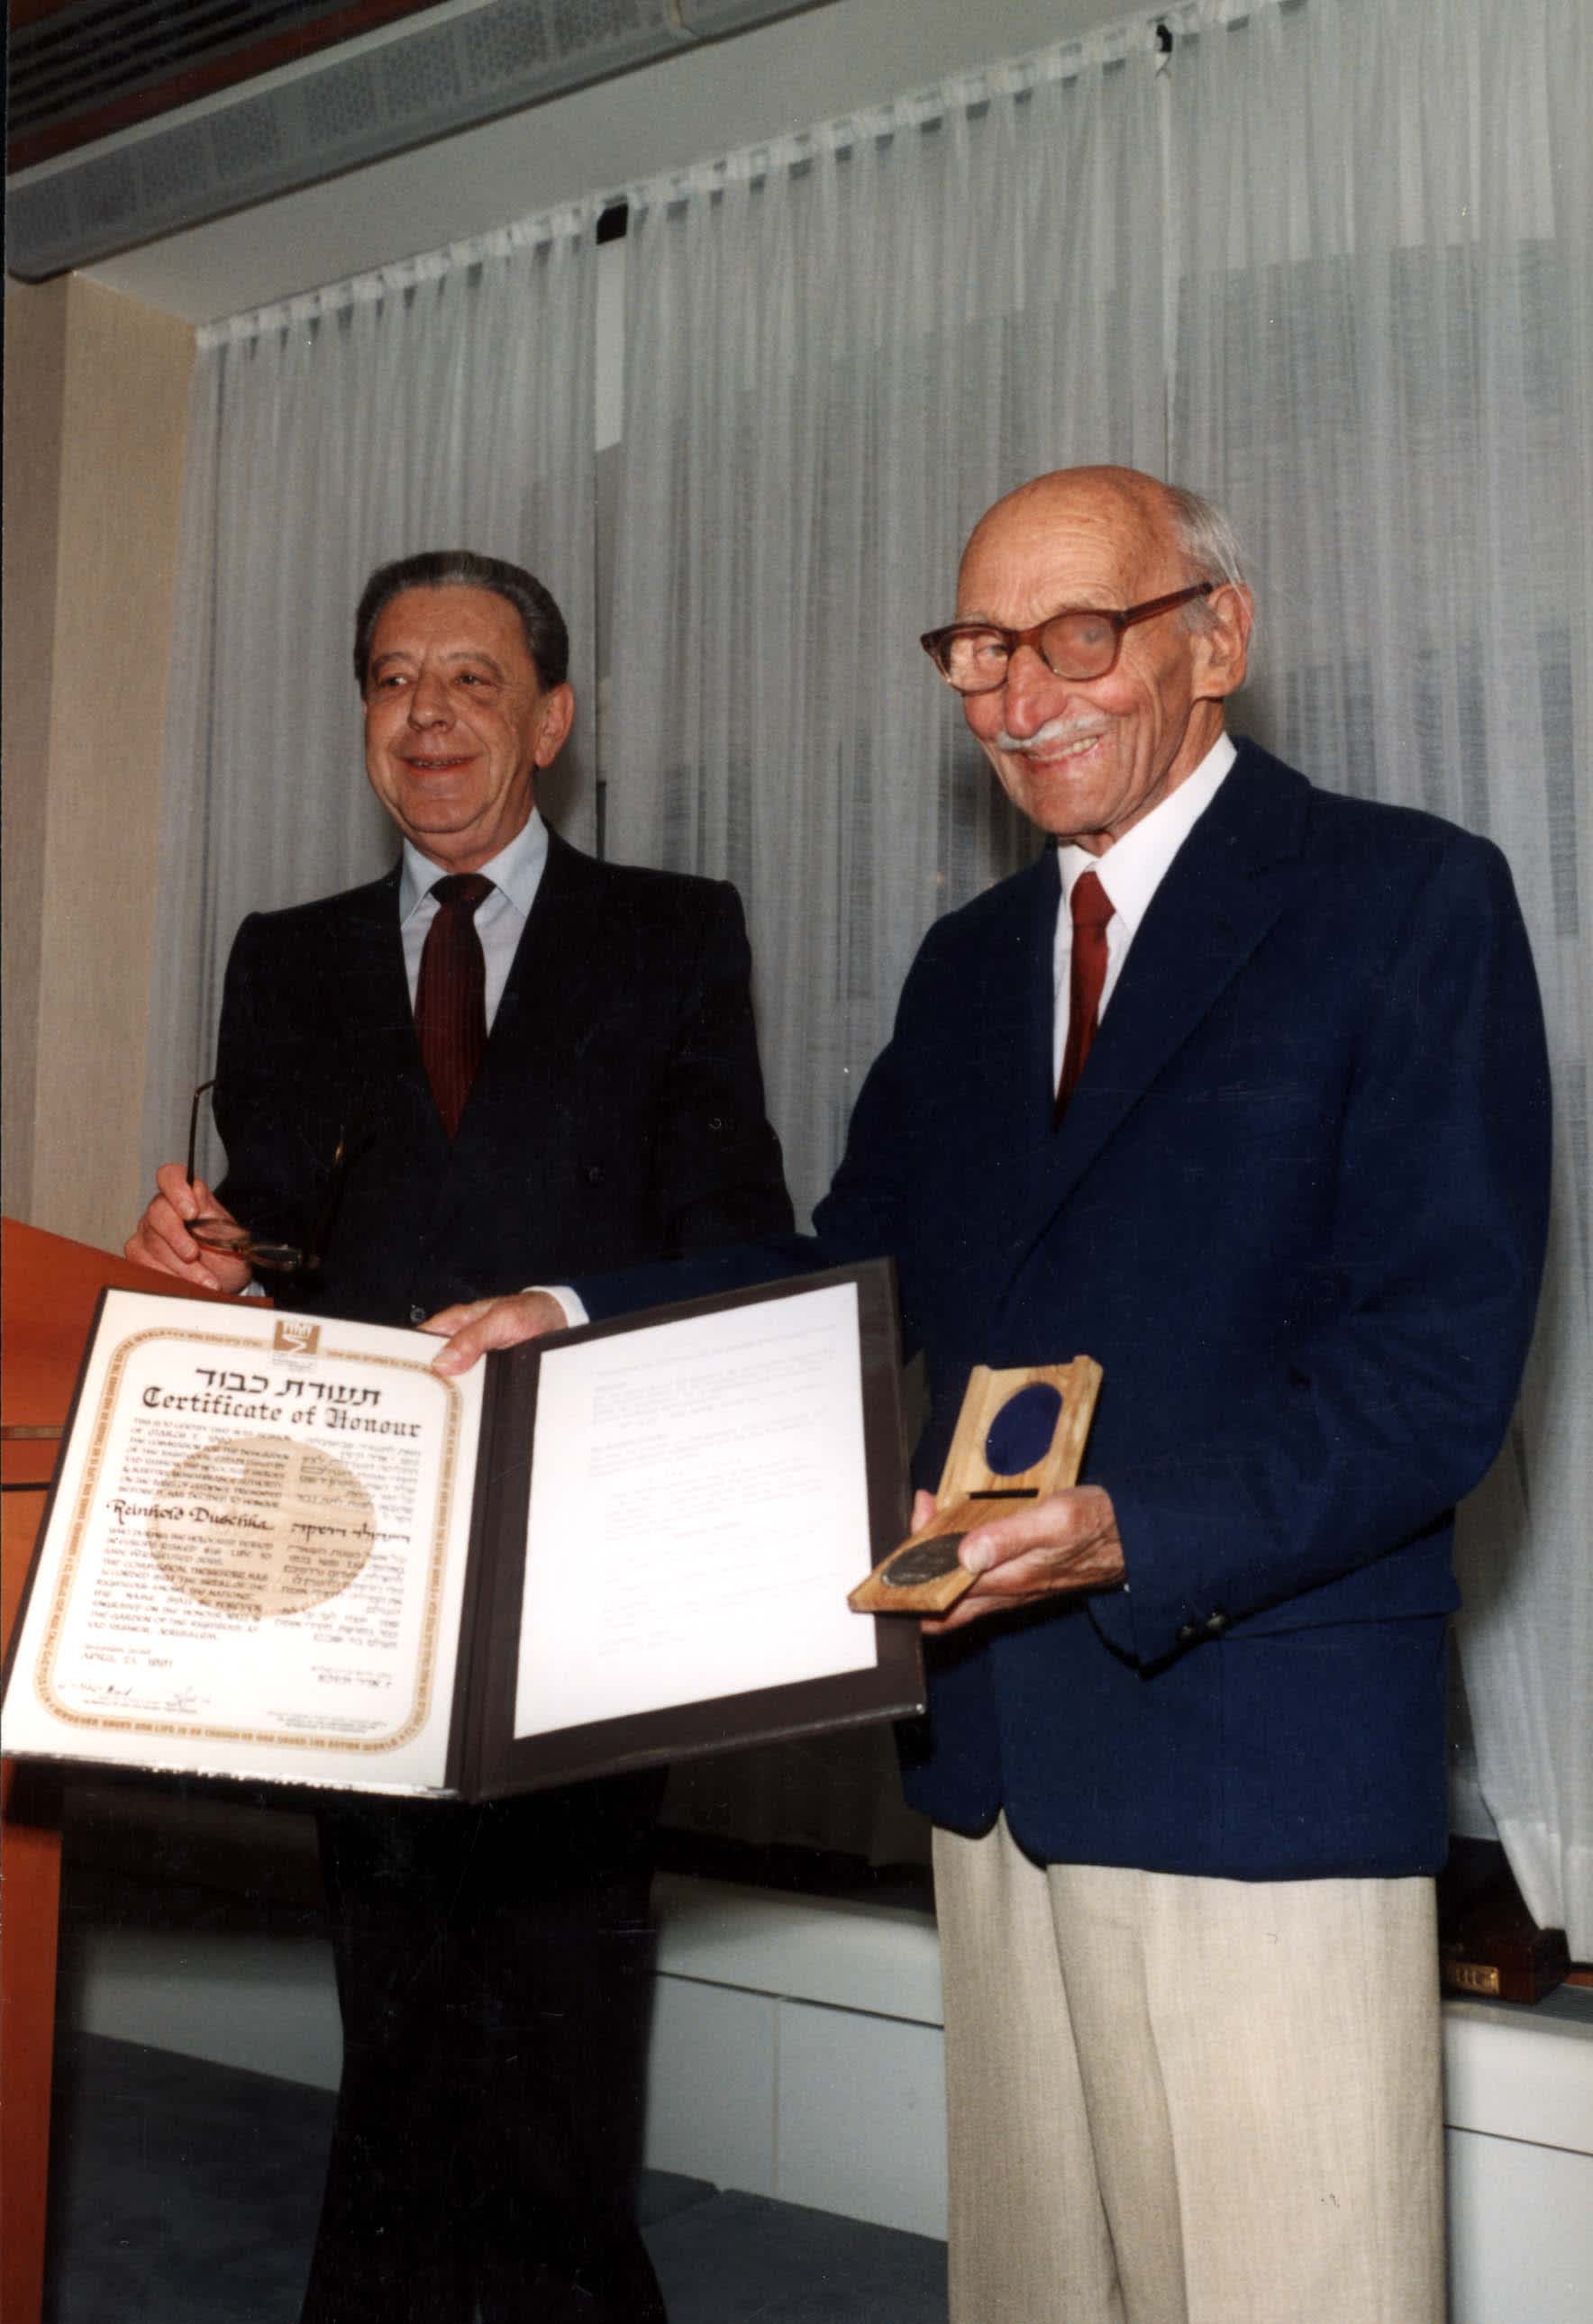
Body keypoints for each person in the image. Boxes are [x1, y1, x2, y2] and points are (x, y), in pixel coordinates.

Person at [429, 470, 1552, 2324]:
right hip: (994, 1761)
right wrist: (570, 1312)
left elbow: (1436, 1365)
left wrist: (1135, 1527)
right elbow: (847, 1278)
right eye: (977, 651)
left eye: (1076, 637)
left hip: (1249, 1744)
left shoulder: (1402, 898)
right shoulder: (967, 969)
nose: (1019, 694)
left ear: (1214, 637)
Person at [126, 548, 793, 2324]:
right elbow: (278, 1247)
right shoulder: (282, 962)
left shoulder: (672, 933)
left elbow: (746, 1235)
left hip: (593, 1542)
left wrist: (564, 1313)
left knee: (565, 2016)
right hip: (361, 1560)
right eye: (390, 678)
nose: (426, 715)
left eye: (472, 680)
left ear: (552, 719)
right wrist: (209, 1268)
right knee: (401, 2000)